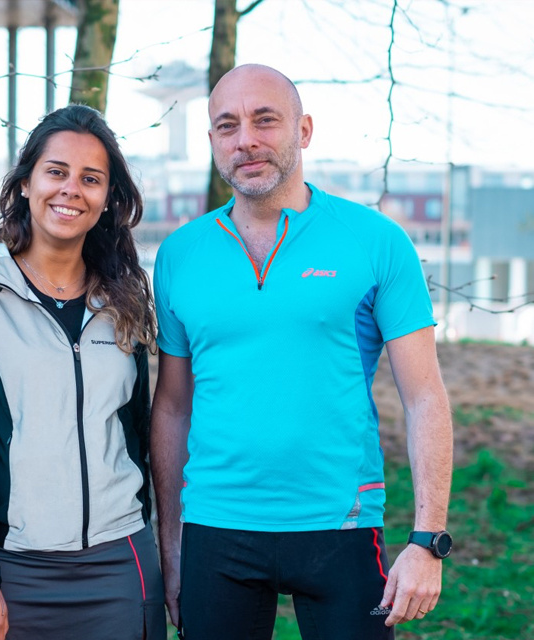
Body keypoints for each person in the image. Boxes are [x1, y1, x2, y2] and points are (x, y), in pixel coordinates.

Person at [151, 64, 453, 640]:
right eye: (227, 126)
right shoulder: (180, 255)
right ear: (213, 141)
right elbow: (171, 408)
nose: (246, 140)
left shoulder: (375, 241)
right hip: (217, 528)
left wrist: (427, 540)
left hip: (340, 524)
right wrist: (172, 545)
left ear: (304, 130)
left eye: (266, 120)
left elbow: (425, 397)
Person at [0, 104, 167, 640]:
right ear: (26, 184)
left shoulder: (124, 299)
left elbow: (135, 435)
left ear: (107, 200)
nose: (71, 190)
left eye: (91, 179)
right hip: (9, 572)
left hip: (118, 564)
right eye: (56, 172)